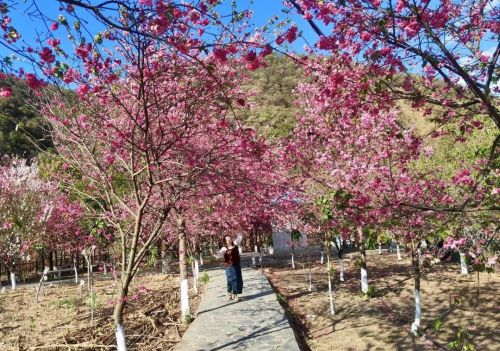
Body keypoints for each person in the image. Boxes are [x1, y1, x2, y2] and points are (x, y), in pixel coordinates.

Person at [215, 234, 243, 301]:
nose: (228, 240)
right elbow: (220, 254)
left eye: (229, 238)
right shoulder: (224, 249)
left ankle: (234, 294)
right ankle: (231, 293)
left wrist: (240, 229)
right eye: (227, 239)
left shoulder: (236, 245)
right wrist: (216, 253)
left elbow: (240, 237)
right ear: (225, 241)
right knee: (231, 280)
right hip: (229, 267)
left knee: (238, 280)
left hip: (236, 266)